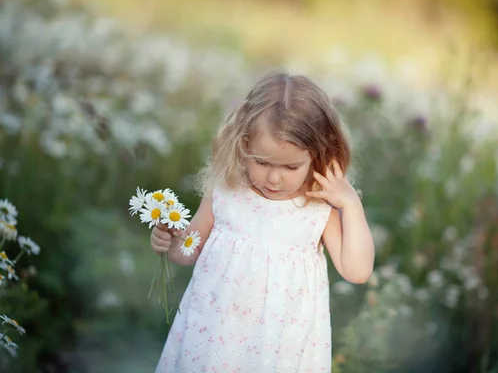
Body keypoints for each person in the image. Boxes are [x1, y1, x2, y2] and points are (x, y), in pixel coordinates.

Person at [151, 69, 375, 372]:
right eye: (261, 162)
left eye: (291, 167)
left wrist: (350, 204)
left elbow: (357, 271)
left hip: (279, 349)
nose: (273, 177)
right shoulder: (227, 191)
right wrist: (170, 242)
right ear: (243, 144)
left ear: (319, 156)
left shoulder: (317, 208)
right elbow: (187, 253)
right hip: (215, 338)